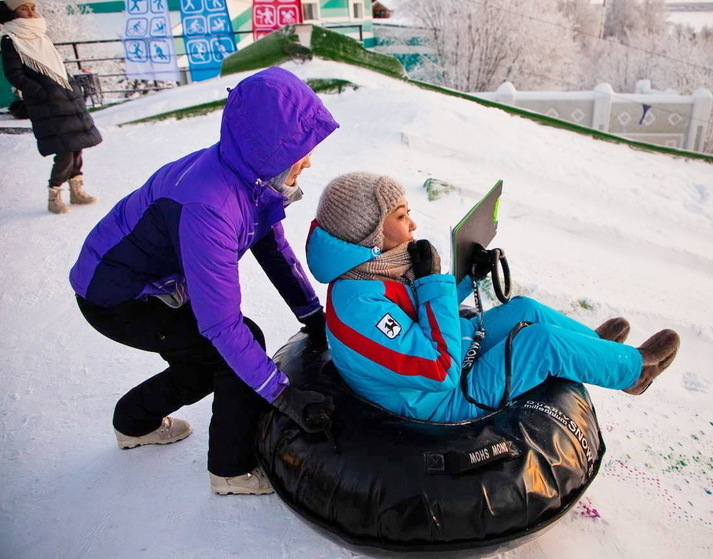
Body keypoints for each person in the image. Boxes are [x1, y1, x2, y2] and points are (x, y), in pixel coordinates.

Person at [70, 67, 338, 495]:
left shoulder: (247, 177)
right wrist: (286, 398)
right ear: (268, 149)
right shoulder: (210, 206)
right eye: (299, 150)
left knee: (203, 362)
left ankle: (133, 421)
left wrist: (312, 314)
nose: (308, 160)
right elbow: (221, 325)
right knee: (229, 350)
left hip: (153, 282)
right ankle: (230, 471)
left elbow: (271, 247)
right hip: (115, 294)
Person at [305, 172, 681, 423]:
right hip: (440, 401)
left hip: (446, 370)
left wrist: (469, 276)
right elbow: (439, 369)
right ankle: (635, 372)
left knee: (524, 309)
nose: (414, 225)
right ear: (371, 233)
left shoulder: (374, 270)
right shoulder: (358, 308)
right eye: (402, 217)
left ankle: (594, 349)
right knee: (540, 343)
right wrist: (432, 282)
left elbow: (420, 316)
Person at [0, 0, 101, 214]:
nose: (30, 12)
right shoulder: (11, 39)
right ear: (12, 12)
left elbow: (57, 65)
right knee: (64, 151)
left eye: (32, 7)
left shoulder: (40, 34)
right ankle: (54, 195)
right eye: (23, 8)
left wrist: (70, 88)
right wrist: (42, 91)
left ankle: (77, 190)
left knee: (77, 145)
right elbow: (14, 74)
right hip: (48, 104)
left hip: (66, 96)